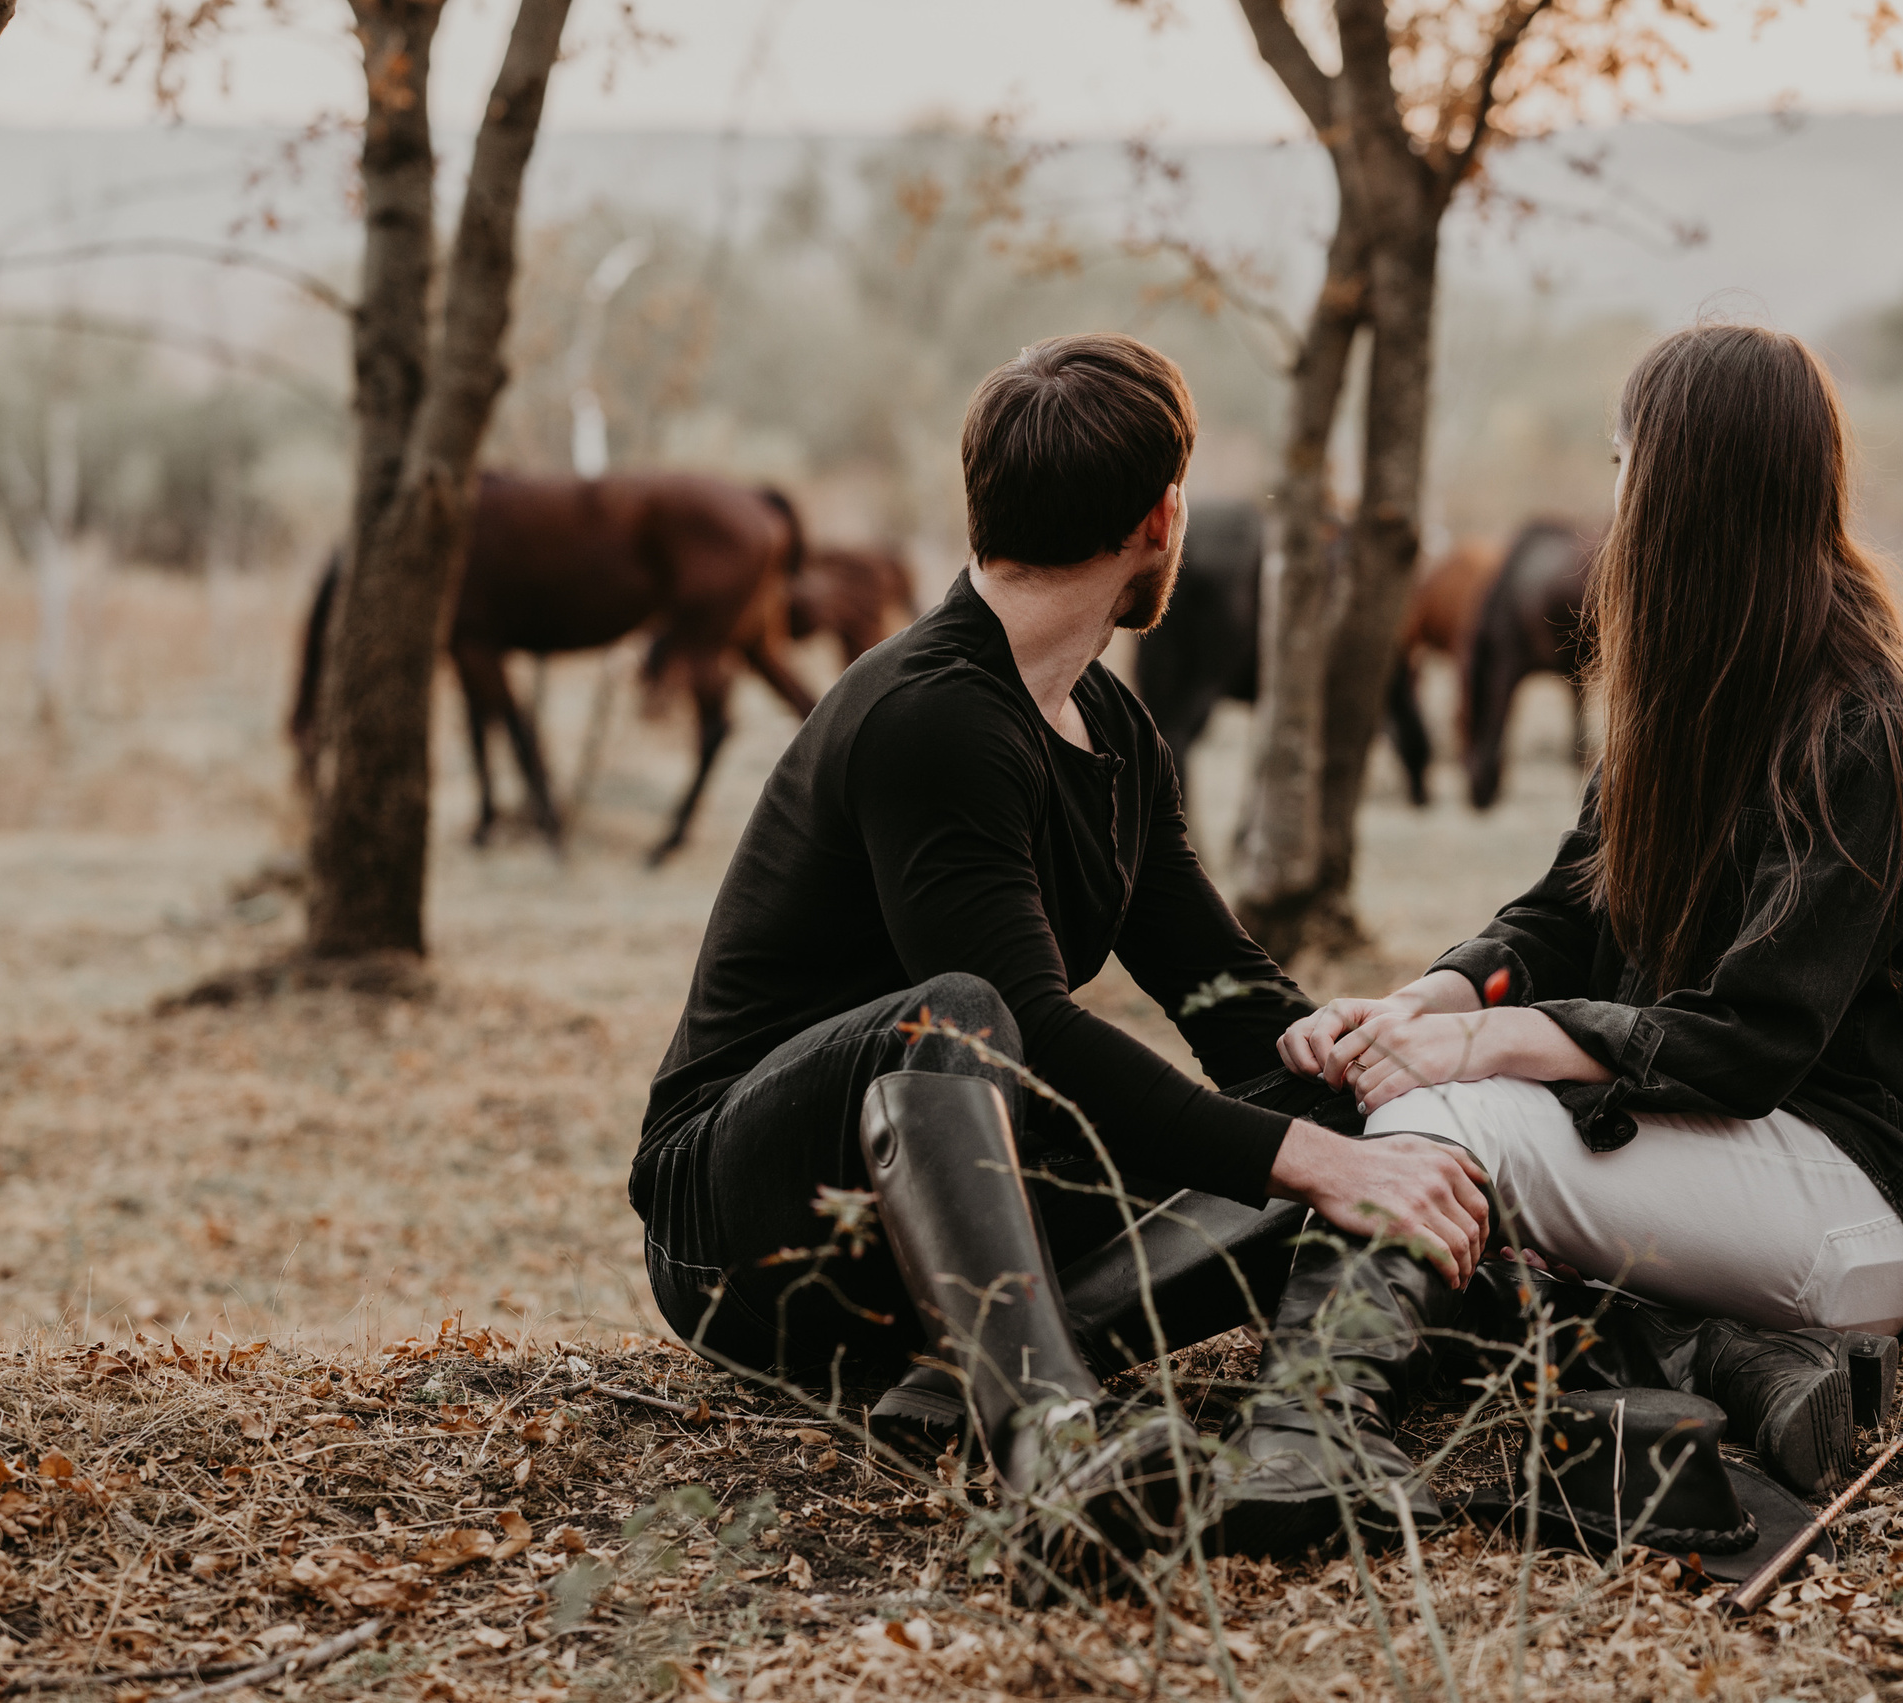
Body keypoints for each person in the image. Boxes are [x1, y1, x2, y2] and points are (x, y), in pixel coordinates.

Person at [627, 332, 1489, 1564]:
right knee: (960, 1013)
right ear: (1160, 517)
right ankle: (1053, 1438)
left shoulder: (1111, 725)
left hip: (966, 1209)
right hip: (743, 1220)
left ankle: (968, 1364)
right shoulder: (931, 715)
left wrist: (1362, 1065)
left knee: (1354, 1116)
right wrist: (1314, 1161)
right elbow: (1023, 1030)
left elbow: (1218, 990)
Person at [1213, 323, 1903, 1542]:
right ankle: (1720, 1357)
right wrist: (1421, 1007)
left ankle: (1309, 1434)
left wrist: (1486, 1049)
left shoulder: (1864, 725)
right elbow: (1563, 914)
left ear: (1685, 485)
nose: (1611, 498)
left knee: (1445, 1124)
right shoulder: (1691, 689)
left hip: (1856, 1196)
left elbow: (1753, 1039)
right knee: (1387, 1114)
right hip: (1720, 1164)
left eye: (1624, 463)